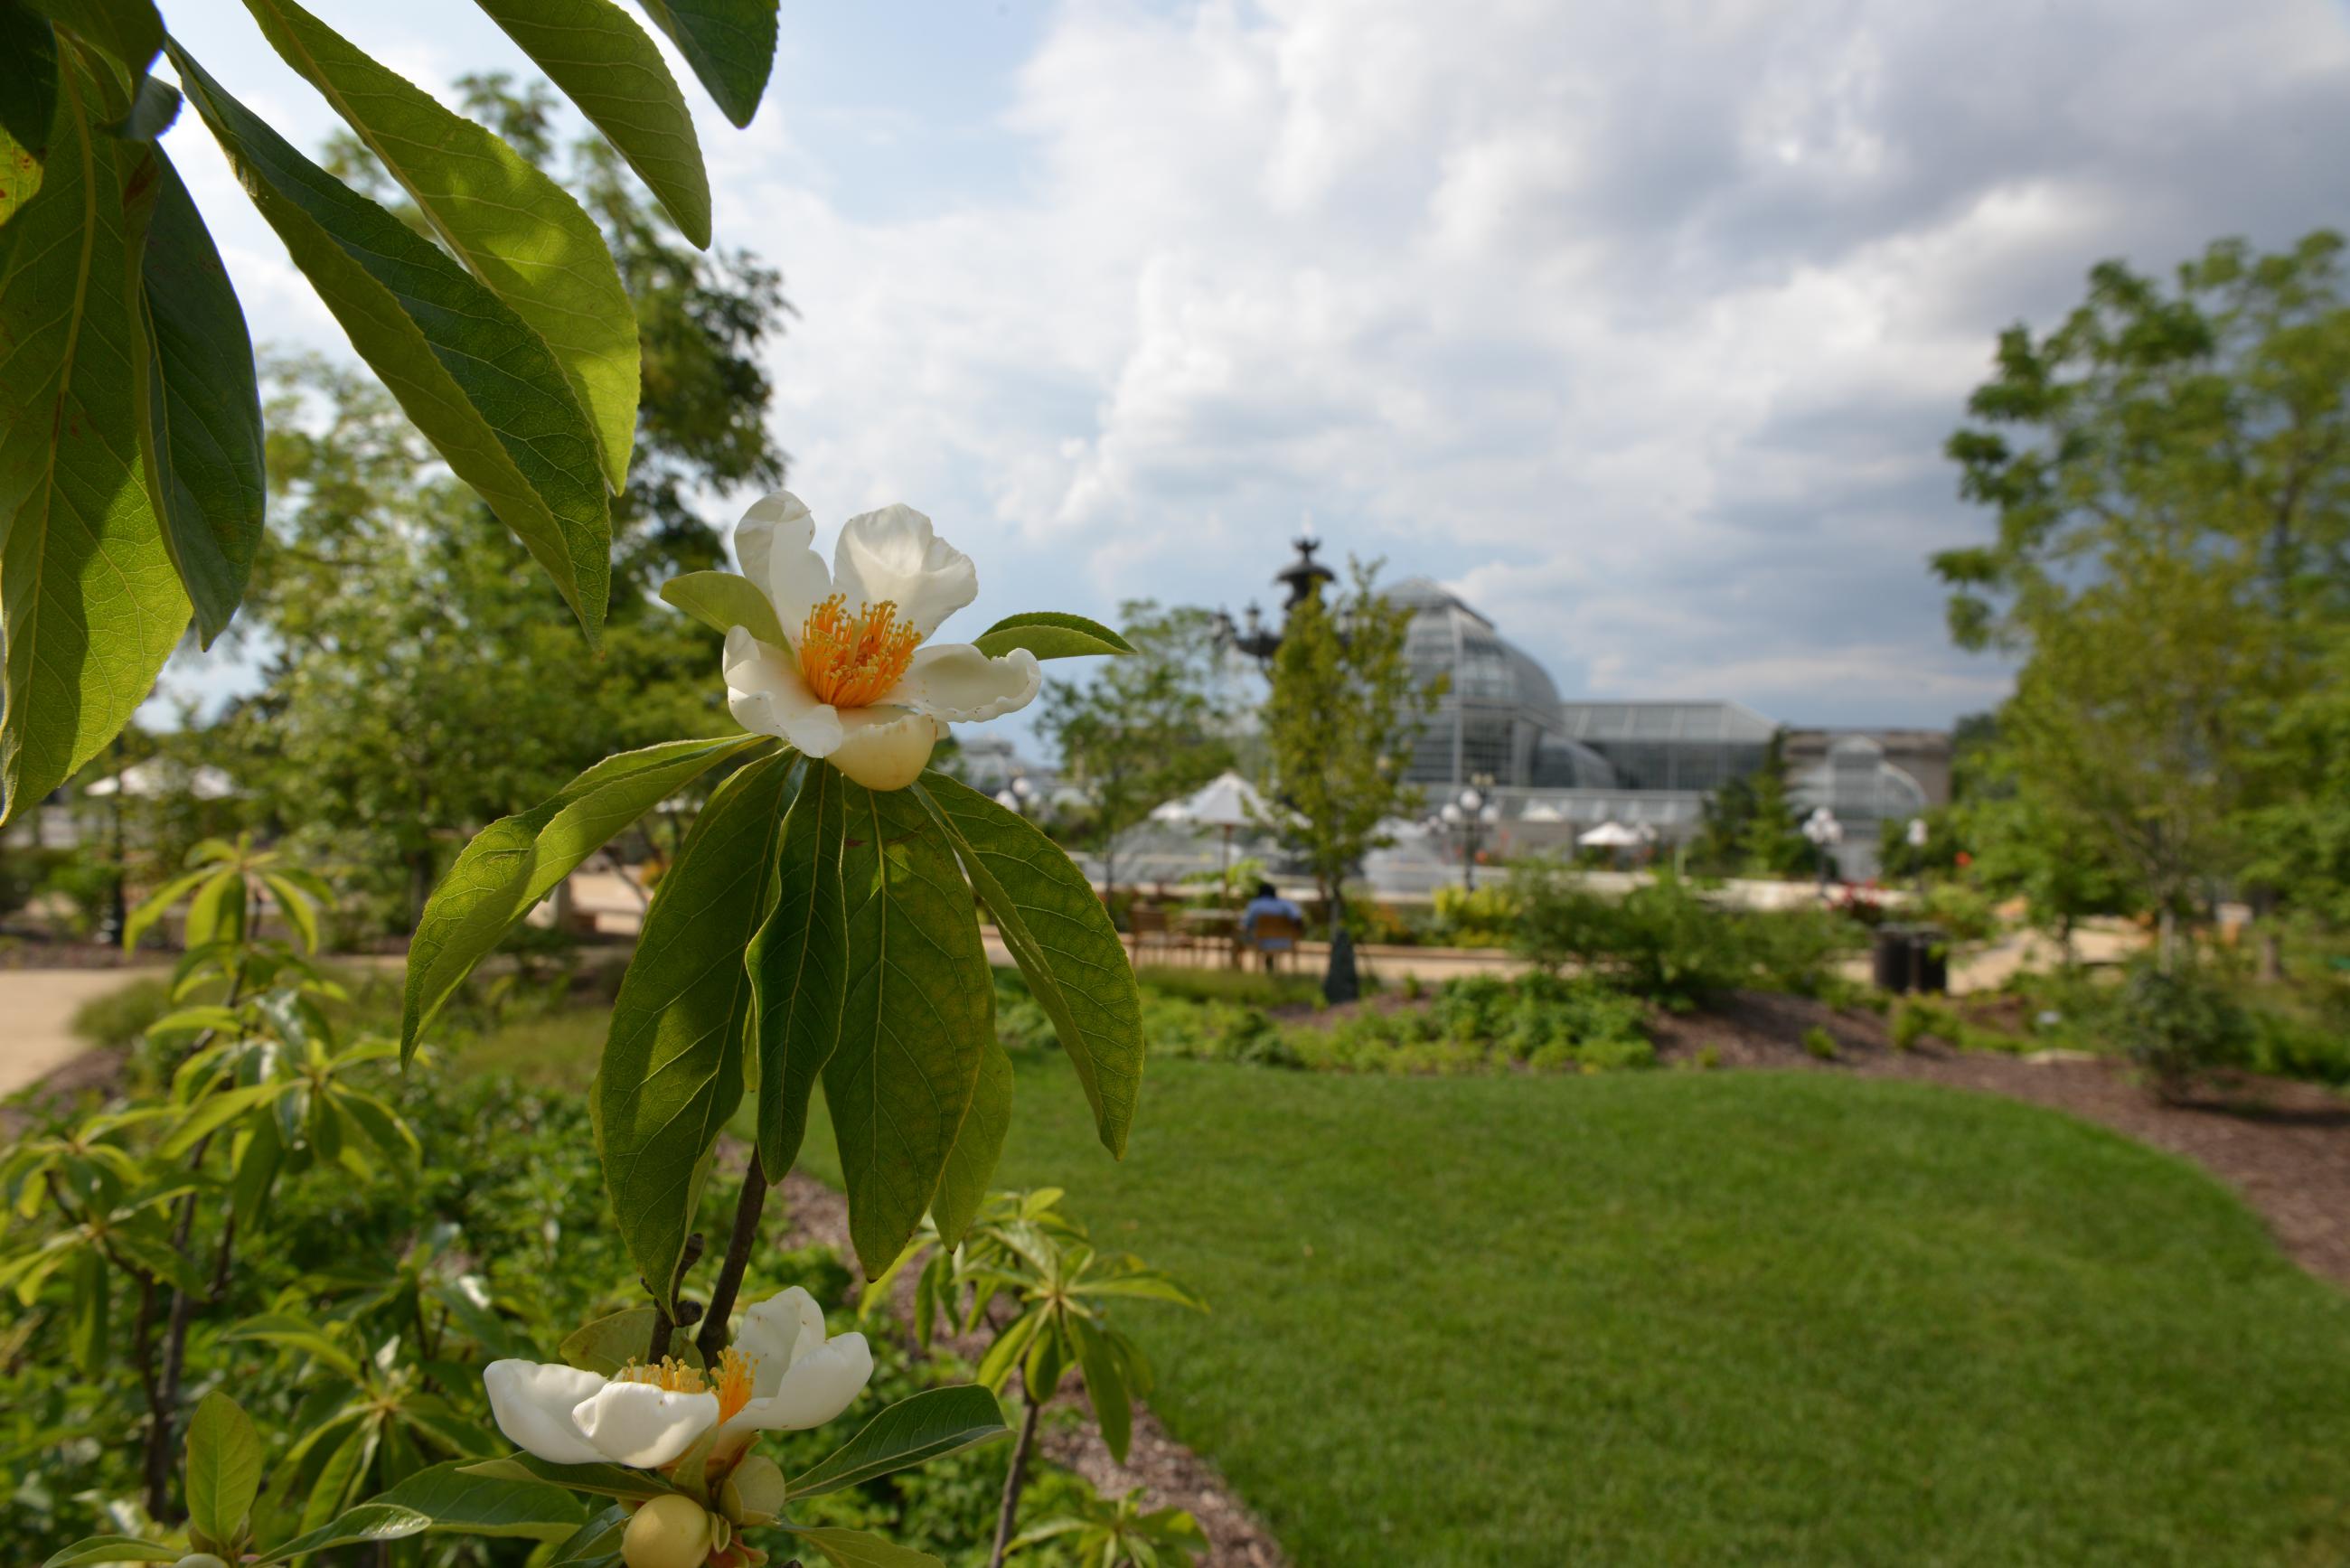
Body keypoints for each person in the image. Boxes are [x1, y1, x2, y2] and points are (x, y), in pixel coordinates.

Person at [1240, 880, 1303, 950]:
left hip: (1260, 942)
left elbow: (1246, 924)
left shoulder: (1255, 905)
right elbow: (1298, 920)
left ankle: (1237, 959)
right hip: (1285, 942)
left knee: (1239, 937)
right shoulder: (1286, 904)